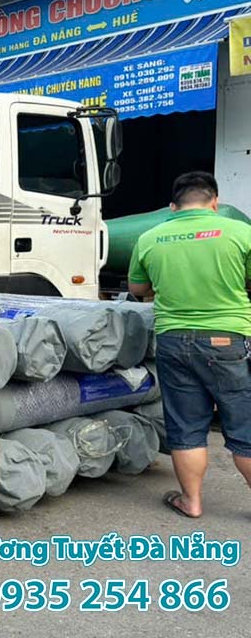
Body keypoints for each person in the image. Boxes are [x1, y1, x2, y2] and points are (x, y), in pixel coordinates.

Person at [127, 171, 251, 519]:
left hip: (173, 340)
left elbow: (138, 289)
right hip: (227, 339)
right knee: (244, 425)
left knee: (186, 425)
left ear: (172, 207)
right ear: (215, 202)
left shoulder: (150, 238)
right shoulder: (240, 232)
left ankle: (191, 501)